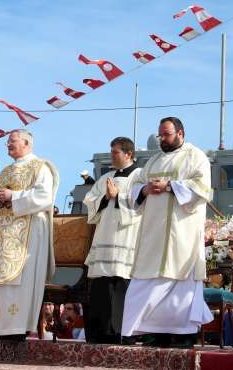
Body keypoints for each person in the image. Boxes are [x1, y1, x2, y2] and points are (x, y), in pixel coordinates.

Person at [121, 117, 212, 347]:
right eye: (160, 135)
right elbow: (133, 188)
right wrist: (145, 188)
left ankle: (183, 334)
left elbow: (202, 188)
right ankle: (150, 332)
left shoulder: (196, 156)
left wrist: (170, 186)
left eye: (167, 135)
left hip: (182, 235)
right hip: (153, 234)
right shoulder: (152, 162)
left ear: (180, 133)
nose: (162, 139)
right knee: (144, 281)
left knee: (180, 285)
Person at [0, 129, 59, 341]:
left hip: (28, 232)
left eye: (12, 141)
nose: (8, 145)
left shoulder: (40, 166)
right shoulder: (5, 170)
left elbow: (44, 197)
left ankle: (16, 329)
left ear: (27, 144)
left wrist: (12, 196)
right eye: (7, 142)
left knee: (20, 280)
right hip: (3, 233)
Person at [83, 136, 142, 344]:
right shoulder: (106, 176)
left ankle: (121, 332)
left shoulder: (139, 176)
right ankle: (100, 332)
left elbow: (142, 203)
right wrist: (105, 198)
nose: (111, 156)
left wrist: (118, 196)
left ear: (128, 154)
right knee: (102, 283)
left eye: (115, 152)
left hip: (126, 236)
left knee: (121, 282)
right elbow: (90, 200)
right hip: (105, 234)